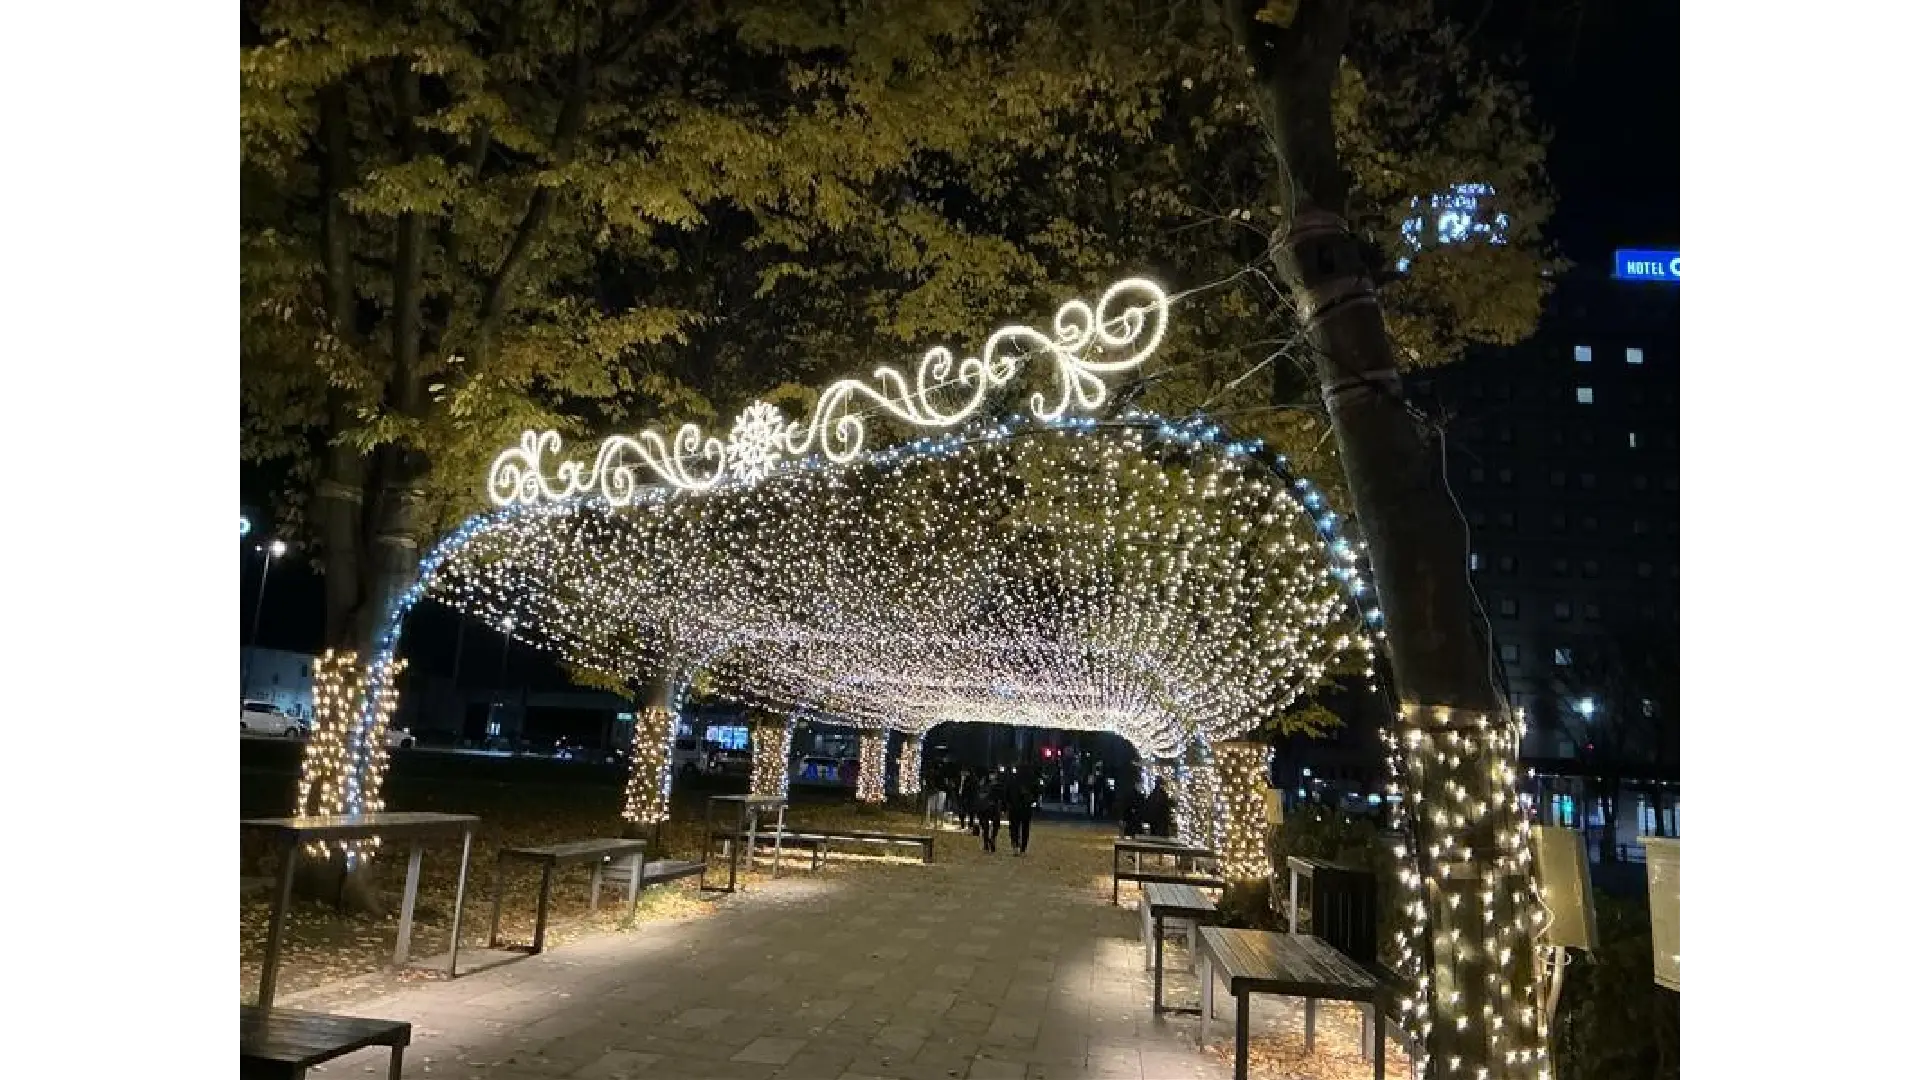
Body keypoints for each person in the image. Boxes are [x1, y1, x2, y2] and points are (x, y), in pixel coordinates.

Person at [1006, 765, 1036, 855]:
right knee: (1025, 828)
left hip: (1014, 807)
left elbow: (1007, 792)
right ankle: (1023, 848)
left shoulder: (1012, 780)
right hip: (1026, 807)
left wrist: (1007, 804)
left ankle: (1015, 845)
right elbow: (1037, 791)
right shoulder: (1031, 780)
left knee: (1014, 827)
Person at [975, 768, 1004, 852]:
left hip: (989, 807)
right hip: (987, 807)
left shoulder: (995, 784)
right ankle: (988, 841)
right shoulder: (985, 783)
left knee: (990, 825)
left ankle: (990, 840)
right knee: (987, 826)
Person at [957, 768, 979, 834]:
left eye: (964, 772)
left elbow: (973, 790)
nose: (962, 773)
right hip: (962, 797)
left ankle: (970, 826)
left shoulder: (972, 779)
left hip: (969, 799)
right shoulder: (960, 779)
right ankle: (962, 825)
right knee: (961, 812)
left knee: (970, 813)